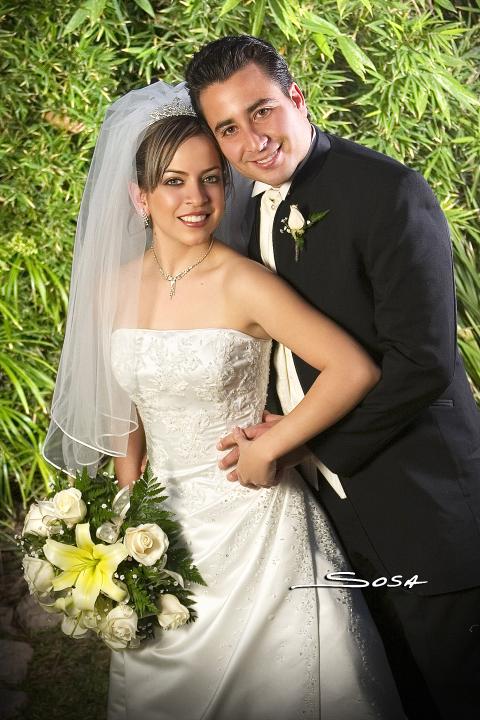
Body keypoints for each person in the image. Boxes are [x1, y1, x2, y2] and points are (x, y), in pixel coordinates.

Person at [43, 81, 406, 719]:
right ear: (139, 195)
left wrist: (276, 442)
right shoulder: (113, 290)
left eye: (211, 179)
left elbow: (352, 368)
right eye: (175, 182)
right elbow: (126, 411)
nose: (196, 198)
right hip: (161, 527)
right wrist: (127, 512)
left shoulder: (245, 283)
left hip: (255, 524)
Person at [185, 35, 480, 720]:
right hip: (327, 518)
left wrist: (303, 441)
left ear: (296, 97)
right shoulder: (247, 207)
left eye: (261, 111)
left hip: (425, 508)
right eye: (228, 127)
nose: (251, 140)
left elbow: (424, 363)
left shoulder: (387, 191)